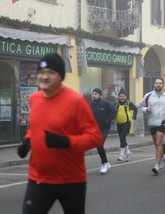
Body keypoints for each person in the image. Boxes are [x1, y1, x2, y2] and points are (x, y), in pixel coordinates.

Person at [18, 53, 103, 214]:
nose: (44, 77)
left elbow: (95, 137)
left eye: (51, 72)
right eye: (41, 72)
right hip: (39, 178)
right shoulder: (34, 99)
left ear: (61, 76)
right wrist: (27, 141)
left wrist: (67, 142)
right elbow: (36, 126)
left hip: (70, 180)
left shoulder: (76, 101)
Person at [138, 77, 165, 174]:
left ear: (163, 85)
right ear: (154, 84)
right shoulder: (148, 96)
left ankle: (157, 166)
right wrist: (146, 110)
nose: (158, 84)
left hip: (162, 123)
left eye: (160, 83)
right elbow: (140, 107)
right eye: (156, 83)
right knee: (156, 145)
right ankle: (164, 157)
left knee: (158, 143)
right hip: (152, 123)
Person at [90, 87, 117, 174]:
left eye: (96, 94)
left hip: (104, 127)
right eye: (93, 94)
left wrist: (109, 119)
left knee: (99, 144)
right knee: (99, 146)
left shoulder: (106, 103)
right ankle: (106, 162)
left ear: (100, 95)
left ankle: (104, 163)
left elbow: (114, 111)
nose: (94, 95)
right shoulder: (91, 105)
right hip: (95, 128)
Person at [115, 90, 138, 162]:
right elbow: (112, 111)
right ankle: (128, 152)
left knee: (122, 138)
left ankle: (121, 155)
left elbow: (135, 109)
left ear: (126, 97)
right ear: (118, 97)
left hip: (127, 123)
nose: (122, 98)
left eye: (123, 96)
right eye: (120, 96)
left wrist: (134, 116)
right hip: (119, 123)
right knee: (122, 139)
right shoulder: (116, 104)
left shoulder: (128, 103)